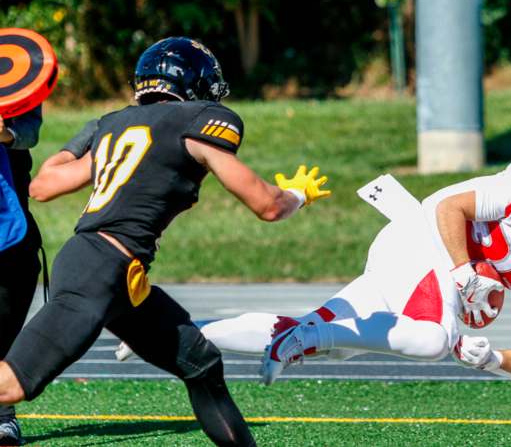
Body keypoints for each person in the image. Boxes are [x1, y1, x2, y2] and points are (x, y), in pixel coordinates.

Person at [0, 37, 330, 447]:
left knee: (202, 364)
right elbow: (267, 206)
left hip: (117, 275)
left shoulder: (114, 126)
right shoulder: (197, 122)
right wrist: (298, 195)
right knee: (9, 386)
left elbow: (45, 184)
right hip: (100, 272)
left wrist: (90, 138)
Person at [199, 156, 511, 382]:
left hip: (434, 274)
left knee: (334, 338)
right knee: (434, 338)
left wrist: (493, 359)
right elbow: (449, 206)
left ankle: (176, 332)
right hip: (422, 236)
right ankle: (305, 341)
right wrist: (463, 272)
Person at [0, 108, 44, 445]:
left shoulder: (13, 58)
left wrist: (7, 134)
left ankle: (1, 414)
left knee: (13, 286)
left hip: (8, 204)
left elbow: (29, 129)